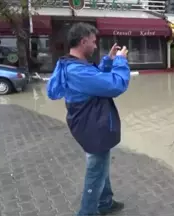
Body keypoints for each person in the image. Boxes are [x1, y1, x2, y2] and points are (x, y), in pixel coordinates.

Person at [46, 22, 130, 216]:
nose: (95, 45)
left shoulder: (73, 64)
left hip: (91, 126)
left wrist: (108, 61)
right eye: (93, 42)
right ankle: (87, 212)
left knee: (101, 165)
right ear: (83, 42)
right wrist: (120, 61)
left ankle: (105, 202)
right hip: (94, 128)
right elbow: (115, 85)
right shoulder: (77, 71)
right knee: (96, 172)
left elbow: (95, 78)